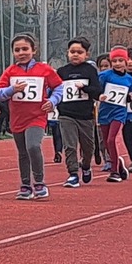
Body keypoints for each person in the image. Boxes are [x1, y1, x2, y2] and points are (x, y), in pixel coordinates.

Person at [0, 35, 59, 201]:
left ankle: (39, 182)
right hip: (17, 118)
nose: (21, 53)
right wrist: (11, 90)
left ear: (33, 50)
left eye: (25, 49)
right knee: (23, 152)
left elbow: (59, 86)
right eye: (17, 50)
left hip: (37, 117)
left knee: (33, 146)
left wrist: (53, 101)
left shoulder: (44, 70)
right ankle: (25, 185)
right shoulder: (10, 72)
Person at [51, 39, 101, 188]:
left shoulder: (90, 71)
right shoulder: (62, 72)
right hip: (66, 114)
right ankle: (72, 173)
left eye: (79, 52)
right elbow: (55, 90)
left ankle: (85, 166)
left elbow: (97, 92)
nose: (75, 55)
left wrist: (84, 88)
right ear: (67, 53)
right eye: (72, 52)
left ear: (87, 54)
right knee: (70, 145)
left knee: (88, 147)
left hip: (85, 115)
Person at [94, 49, 132, 182]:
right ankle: (119, 165)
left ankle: (114, 172)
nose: (117, 63)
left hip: (119, 112)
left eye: (120, 60)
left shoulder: (129, 79)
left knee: (111, 140)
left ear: (126, 61)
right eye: (114, 61)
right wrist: (99, 95)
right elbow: (97, 90)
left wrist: (131, 96)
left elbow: (126, 95)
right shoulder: (104, 76)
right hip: (104, 112)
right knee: (106, 143)